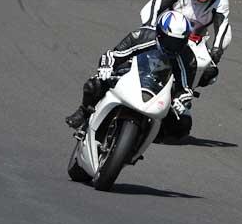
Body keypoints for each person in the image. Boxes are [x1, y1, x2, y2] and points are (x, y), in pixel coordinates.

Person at [66, 10, 195, 138]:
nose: (172, 47)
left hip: (160, 88)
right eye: (169, 41)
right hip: (131, 73)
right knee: (94, 85)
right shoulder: (142, 36)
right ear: (160, 34)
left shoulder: (188, 57)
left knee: (183, 123)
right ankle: (84, 113)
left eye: (177, 43)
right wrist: (106, 67)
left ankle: (146, 137)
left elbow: (186, 88)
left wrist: (181, 100)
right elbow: (113, 54)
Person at [140, 0, 231, 90]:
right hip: (167, 35)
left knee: (210, 74)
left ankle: (185, 93)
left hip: (195, 42)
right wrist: (148, 27)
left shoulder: (221, 0)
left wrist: (217, 51)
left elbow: (223, 28)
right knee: (140, 50)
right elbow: (155, 5)